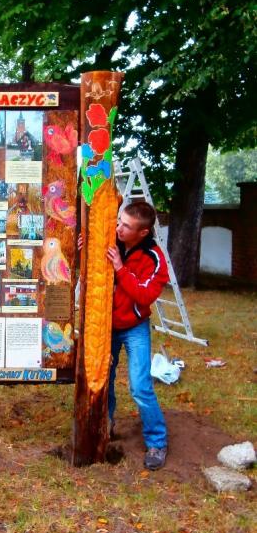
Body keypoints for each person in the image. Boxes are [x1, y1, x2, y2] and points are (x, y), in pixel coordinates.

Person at [106, 201, 169, 470]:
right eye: (119, 221)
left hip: (134, 327)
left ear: (142, 232)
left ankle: (157, 442)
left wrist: (121, 268)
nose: (119, 228)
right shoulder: (112, 239)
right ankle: (104, 427)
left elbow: (144, 295)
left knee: (140, 386)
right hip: (105, 325)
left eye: (126, 226)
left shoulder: (154, 258)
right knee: (102, 380)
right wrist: (85, 248)